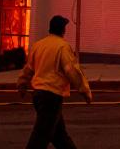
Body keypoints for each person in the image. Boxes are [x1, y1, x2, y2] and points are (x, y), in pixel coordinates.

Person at [17, 15, 92, 149]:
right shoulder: (62, 47)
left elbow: (28, 68)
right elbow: (71, 71)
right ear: (63, 30)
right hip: (52, 96)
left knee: (59, 137)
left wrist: (22, 84)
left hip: (38, 95)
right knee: (40, 138)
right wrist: (85, 91)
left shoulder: (38, 45)